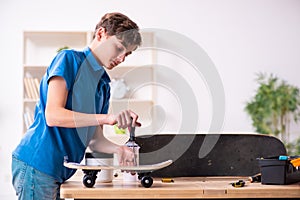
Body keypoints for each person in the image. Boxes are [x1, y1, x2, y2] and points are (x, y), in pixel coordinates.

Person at [12, 12, 142, 200]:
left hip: (59, 171)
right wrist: (107, 118)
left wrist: (120, 149)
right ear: (100, 34)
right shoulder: (69, 60)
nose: (122, 58)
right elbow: (53, 115)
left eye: (127, 54)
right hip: (38, 162)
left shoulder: (104, 85)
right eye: (119, 48)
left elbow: (95, 140)